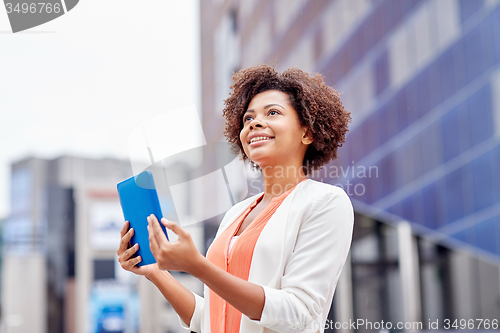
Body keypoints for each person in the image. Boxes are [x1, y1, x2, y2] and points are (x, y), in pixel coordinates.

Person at [117, 65, 354, 333]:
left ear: (307, 132)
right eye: (247, 119)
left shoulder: (326, 202)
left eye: (273, 112)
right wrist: (155, 272)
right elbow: (211, 317)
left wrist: (198, 266)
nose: (254, 123)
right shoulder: (235, 215)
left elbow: (297, 312)